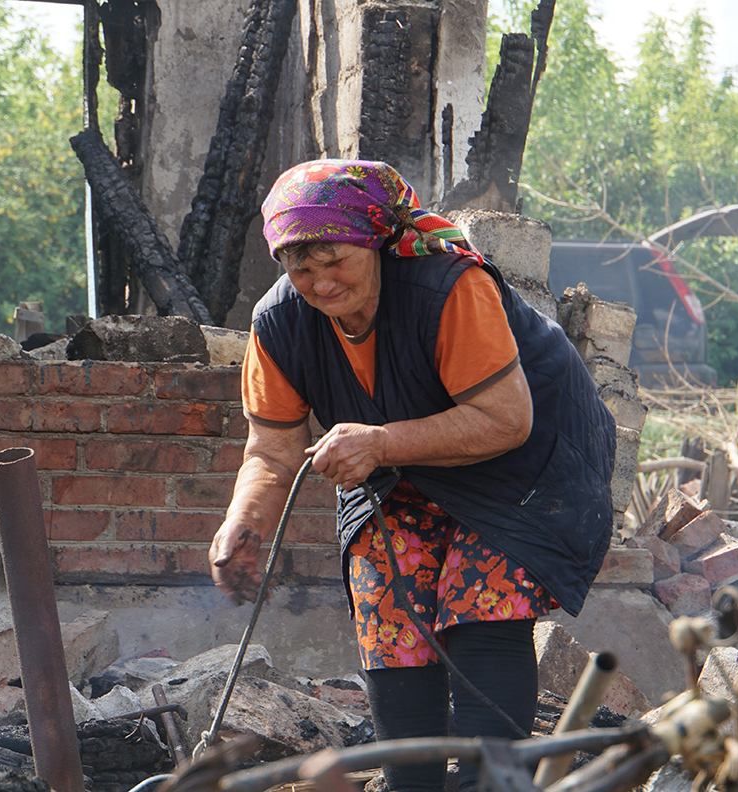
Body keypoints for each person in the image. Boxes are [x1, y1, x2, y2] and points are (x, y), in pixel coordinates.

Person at [208, 159, 616, 791]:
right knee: (389, 618)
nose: (320, 283)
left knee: (479, 611)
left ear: (373, 241)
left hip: (527, 466)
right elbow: (271, 451)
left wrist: (378, 442)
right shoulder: (278, 324)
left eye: (334, 260)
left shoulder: (449, 288)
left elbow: (505, 420)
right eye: (301, 269)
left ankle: (492, 786)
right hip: (398, 473)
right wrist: (243, 522)